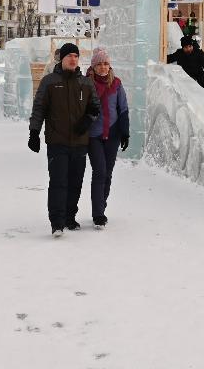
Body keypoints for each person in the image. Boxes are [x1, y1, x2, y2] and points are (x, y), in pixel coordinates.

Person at [28, 43, 101, 235]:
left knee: (75, 182)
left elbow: (95, 108)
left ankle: (70, 216)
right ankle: (57, 222)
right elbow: (39, 109)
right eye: (69, 56)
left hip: (79, 142)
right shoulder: (49, 81)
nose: (73, 59)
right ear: (62, 59)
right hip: (57, 141)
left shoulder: (86, 83)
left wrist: (87, 121)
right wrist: (34, 132)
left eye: (76, 56)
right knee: (59, 181)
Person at [87, 47, 129, 227]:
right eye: (99, 64)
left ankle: (101, 205)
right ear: (94, 66)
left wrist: (125, 132)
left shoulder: (117, 84)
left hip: (112, 134)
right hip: (93, 135)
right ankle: (98, 213)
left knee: (108, 173)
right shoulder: (86, 84)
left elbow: (123, 109)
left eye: (106, 64)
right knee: (100, 172)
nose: (103, 67)